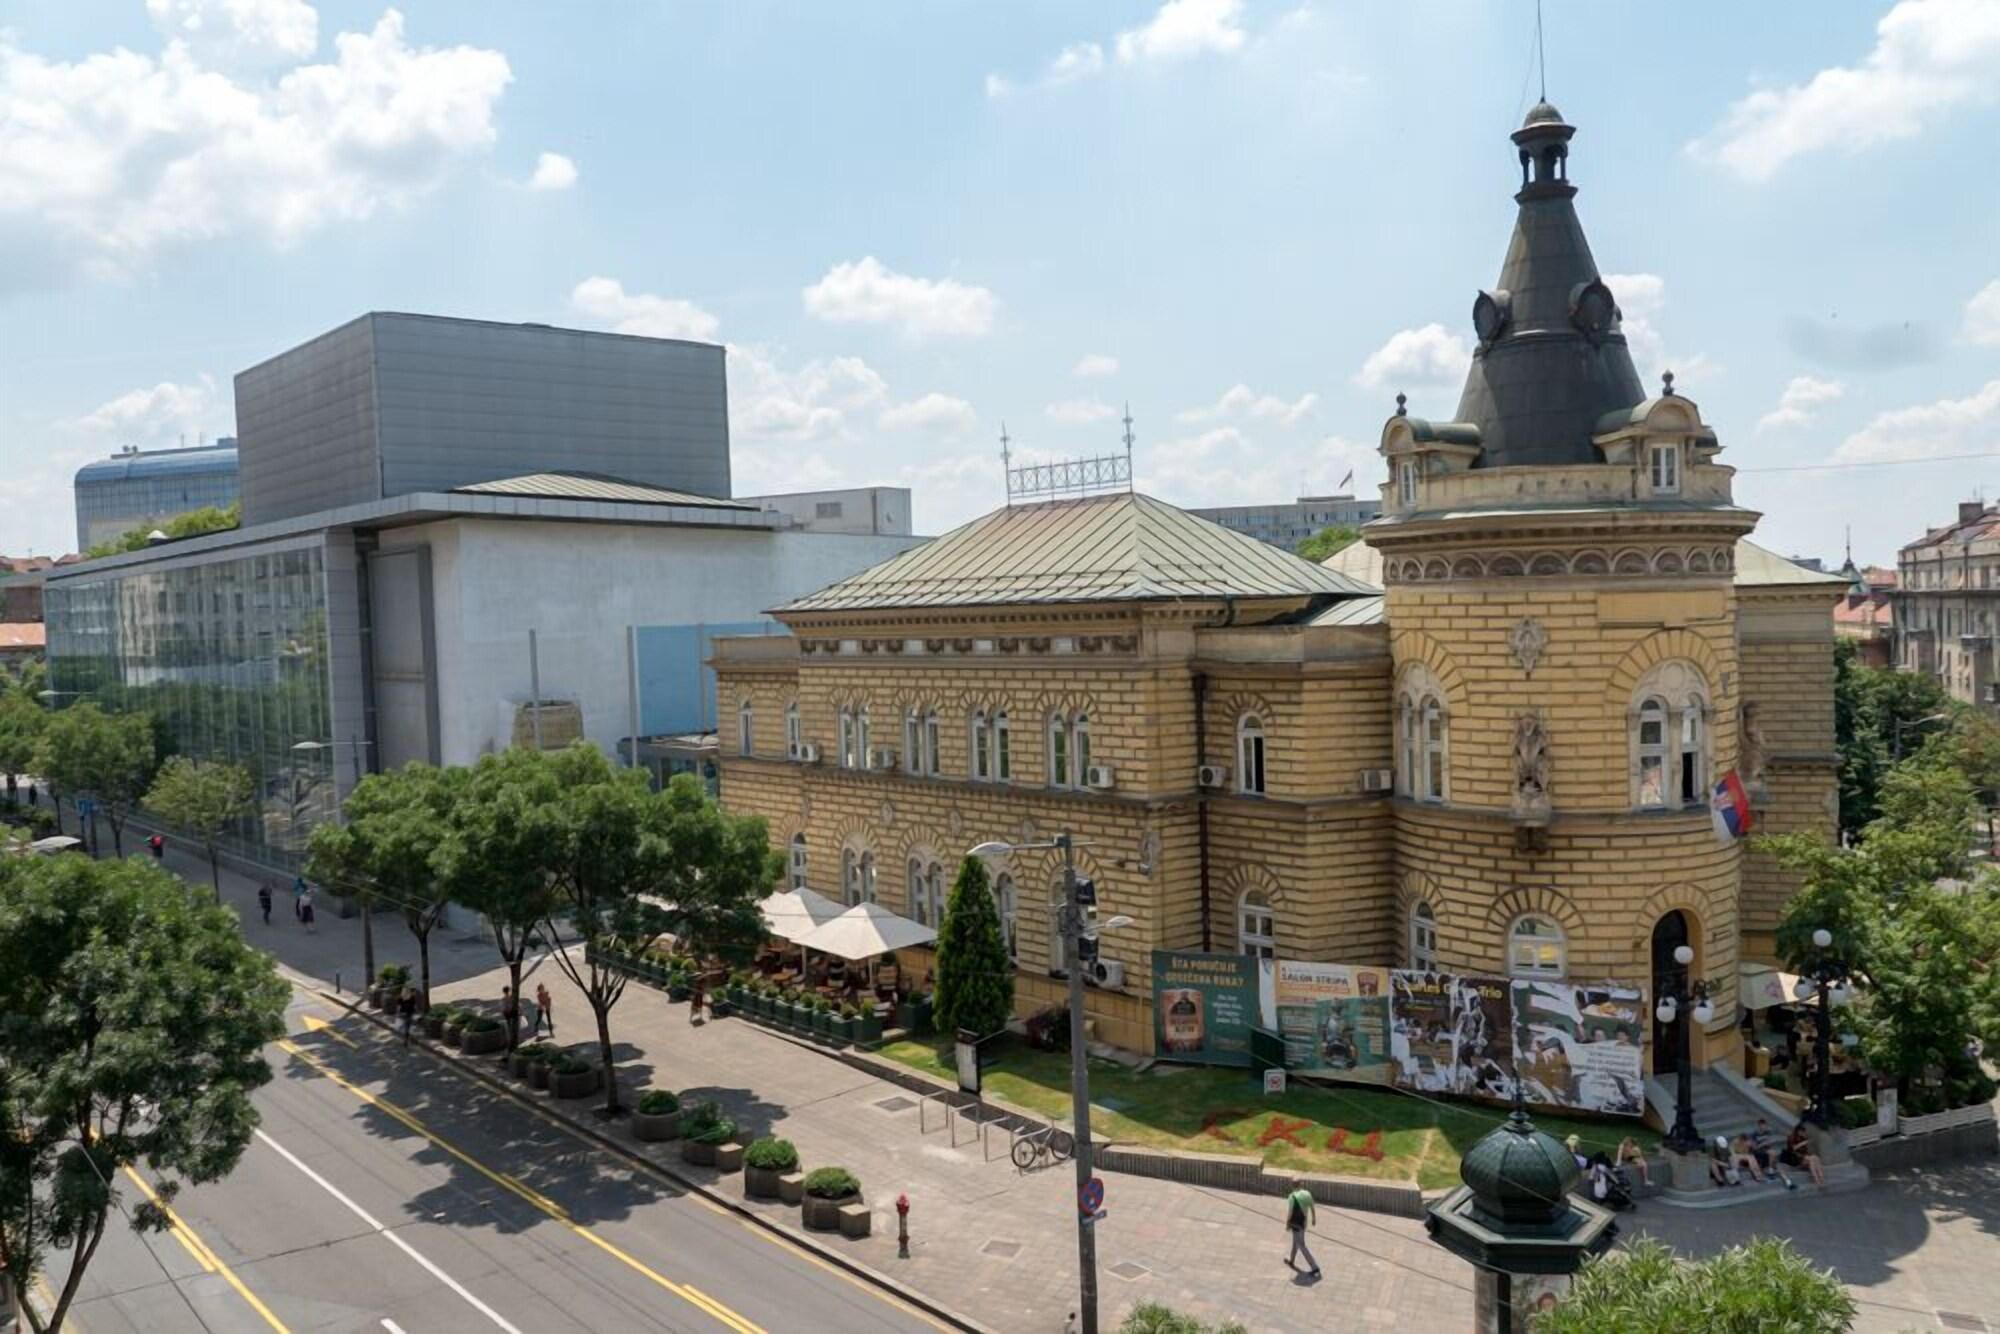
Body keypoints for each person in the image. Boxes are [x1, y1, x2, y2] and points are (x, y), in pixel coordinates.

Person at [1282, 1181, 1321, 1279]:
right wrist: (1314, 1218)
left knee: (1301, 1245)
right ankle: (1291, 1261)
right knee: (1296, 1242)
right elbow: (1312, 1206)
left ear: (1292, 1186)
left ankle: (1314, 1267)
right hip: (1303, 1223)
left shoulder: (1292, 1196)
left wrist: (1287, 1224)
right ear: (1301, 1185)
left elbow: (1290, 1213)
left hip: (1296, 1224)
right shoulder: (1307, 1193)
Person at [1748, 1119, 1794, 1188]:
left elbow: (1769, 1142)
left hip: (1768, 1154)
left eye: (1765, 1125)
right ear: (1759, 1126)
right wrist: (1763, 1144)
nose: (1764, 1127)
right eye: (1762, 1126)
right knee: (1772, 1153)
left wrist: (1767, 1143)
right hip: (1759, 1154)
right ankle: (1770, 1170)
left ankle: (1788, 1182)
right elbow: (1755, 1148)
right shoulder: (1754, 1134)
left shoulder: (1768, 1132)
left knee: (1778, 1165)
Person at [1781, 1122, 1827, 1187]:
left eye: (1804, 1132)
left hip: (1804, 1159)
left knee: (1815, 1158)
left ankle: (1821, 1178)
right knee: (1811, 1159)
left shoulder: (1803, 1137)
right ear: (1798, 1131)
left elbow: (1805, 1151)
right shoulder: (1791, 1137)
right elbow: (1793, 1149)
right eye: (1803, 1132)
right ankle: (1817, 1180)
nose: (1804, 1133)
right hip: (1795, 1160)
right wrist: (1804, 1143)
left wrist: (1808, 1153)